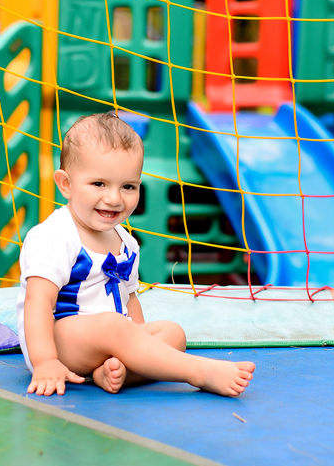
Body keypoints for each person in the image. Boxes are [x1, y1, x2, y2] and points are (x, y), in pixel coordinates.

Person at [15, 111, 255, 397]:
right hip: (61, 342)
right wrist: (45, 362)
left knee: (173, 333)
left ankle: (116, 373)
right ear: (66, 184)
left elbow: (130, 300)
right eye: (99, 184)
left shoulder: (126, 241)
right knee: (113, 326)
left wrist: (140, 344)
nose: (115, 198)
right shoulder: (54, 235)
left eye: (128, 186)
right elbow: (37, 303)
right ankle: (199, 372)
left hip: (111, 337)